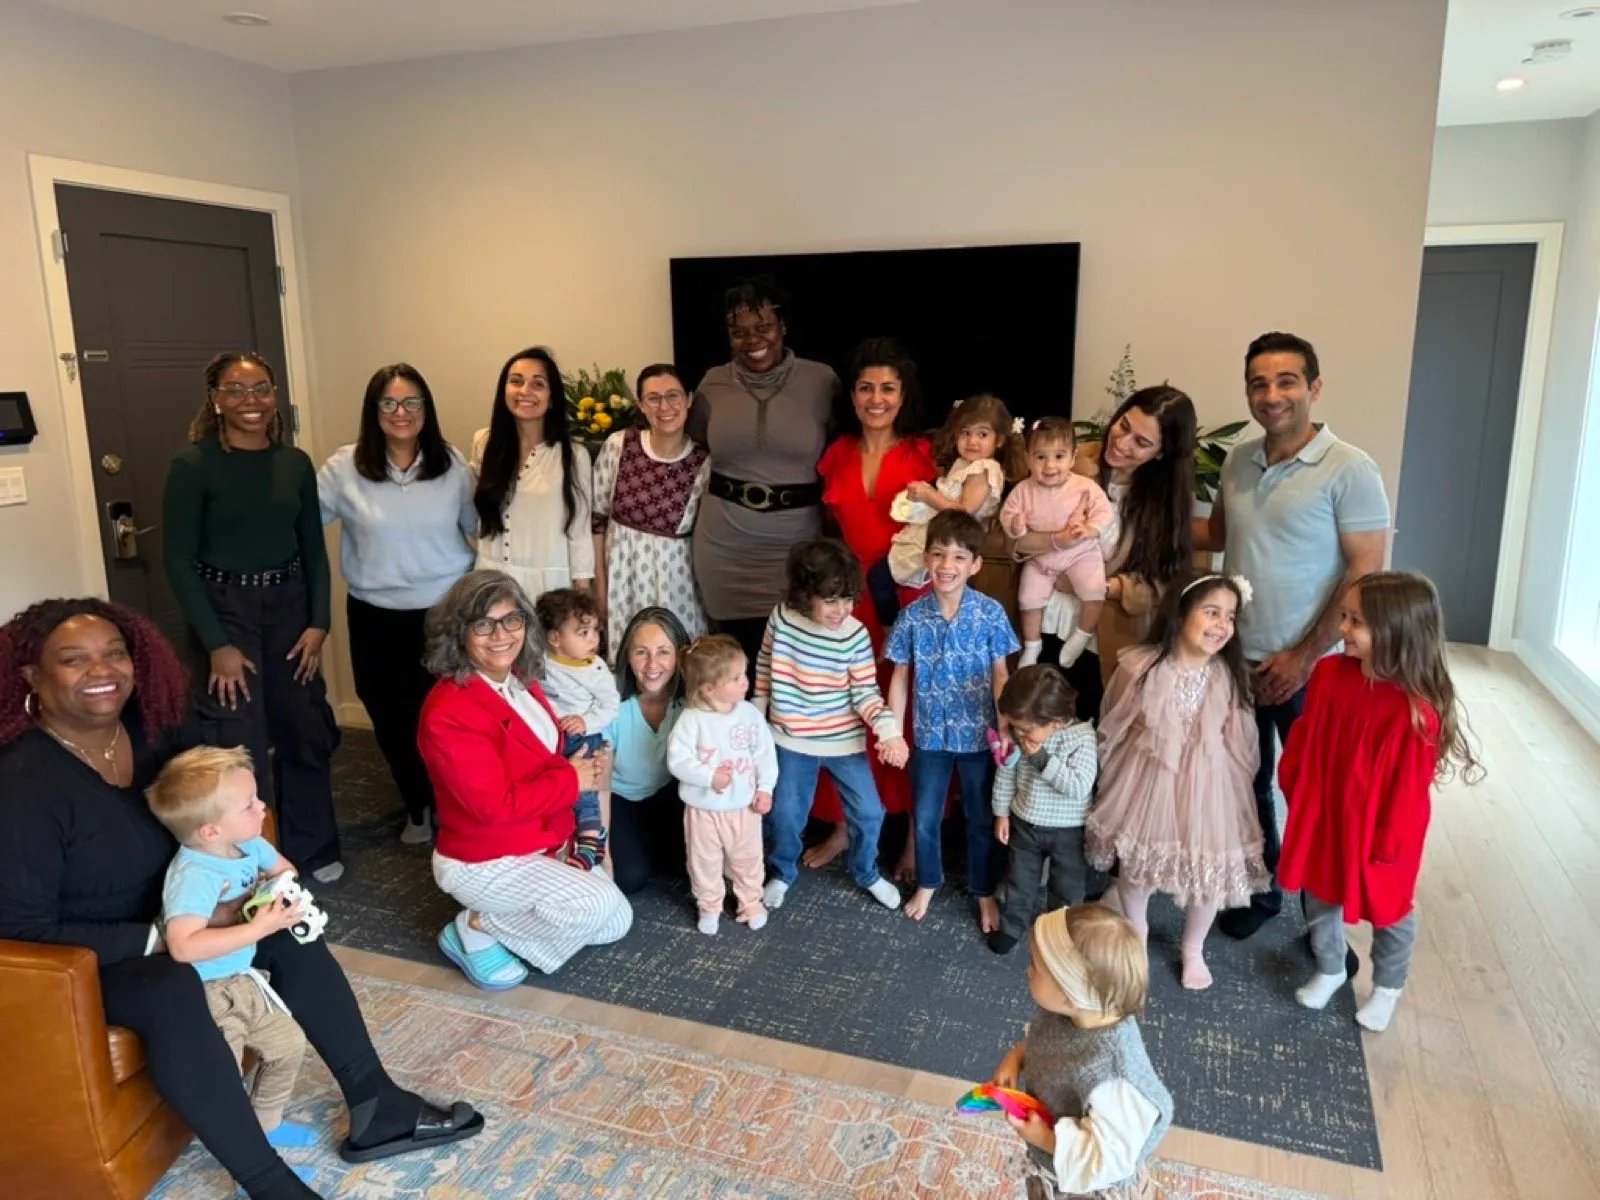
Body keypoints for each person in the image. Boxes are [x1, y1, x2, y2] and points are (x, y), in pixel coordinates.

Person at [0, 599, 482, 1200]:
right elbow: (22, 926)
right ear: (32, 676)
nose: (102, 670)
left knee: (285, 925)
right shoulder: (22, 784)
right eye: (74, 660)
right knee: (171, 984)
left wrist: (263, 887)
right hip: (109, 956)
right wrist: (167, 935)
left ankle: (375, 1103)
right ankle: (269, 1183)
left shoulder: (156, 728)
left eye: (114, 653)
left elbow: (226, 807)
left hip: (197, 909)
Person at [1197, 332, 1390, 940]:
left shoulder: (1350, 468)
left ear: (1314, 387)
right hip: (1234, 657)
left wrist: (1304, 656)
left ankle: (1323, 930)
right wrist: (1122, 508)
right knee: (1245, 783)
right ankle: (1261, 891)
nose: (1272, 394)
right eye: (1259, 383)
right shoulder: (1238, 460)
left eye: (1287, 381)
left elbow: (1366, 572)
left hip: (1315, 667)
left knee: (1317, 797)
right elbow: (1216, 537)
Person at [162, 351, 343, 882]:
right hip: (225, 610)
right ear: (215, 399)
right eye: (236, 390)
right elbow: (178, 560)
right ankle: (252, 859)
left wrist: (319, 622)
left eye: (261, 388)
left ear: (274, 396)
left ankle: (314, 849)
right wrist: (216, 643)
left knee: (302, 726)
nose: (251, 400)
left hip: (290, 608)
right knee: (236, 736)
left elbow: (314, 551)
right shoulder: (192, 465)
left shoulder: (294, 464)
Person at [1278, 571, 1480, 1032]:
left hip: (1382, 831)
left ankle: (1387, 987)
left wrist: (1387, 845)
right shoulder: (1329, 674)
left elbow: (1408, 789)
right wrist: (1294, 782)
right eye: (1344, 617)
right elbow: (1305, 736)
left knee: (1390, 911)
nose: (1343, 628)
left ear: (1395, 631)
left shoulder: (1414, 711)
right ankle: (1330, 967)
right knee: (1320, 893)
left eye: (1356, 621)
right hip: (1326, 814)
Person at [418, 571, 631, 990]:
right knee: (595, 905)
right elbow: (493, 807)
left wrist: (579, 765)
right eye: (484, 624)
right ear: (459, 632)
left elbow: (542, 756)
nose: (501, 635)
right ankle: (475, 926)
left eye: (511, 620)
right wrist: (571, 779)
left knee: (615, 921)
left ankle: (507, 919)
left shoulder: (519, 680)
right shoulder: (447, 712)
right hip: (485, 858)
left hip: (540, 836)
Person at [318, 362, 476, 844]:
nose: (400, 411)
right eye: (388, 402)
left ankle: (450, 804)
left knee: (447, 719)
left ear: (426, 409)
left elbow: (478, 528)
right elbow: (300, 525)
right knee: (390, 717)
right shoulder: (344, 468)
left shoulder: (452, 466)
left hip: (443, 614)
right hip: (374, 615)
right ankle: (416, 805)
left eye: (411, 402)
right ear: (373, 410)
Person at [1085, 574, 1267, 990]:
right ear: (1181, 614)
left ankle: (1192, 948)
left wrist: (1236, 791)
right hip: (1149, 777)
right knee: (1137, 864)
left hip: (1210, 782)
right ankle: (1137, 930)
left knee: (1207, 868)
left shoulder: (1226, 675)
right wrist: (1111, 772)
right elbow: (1115, 722)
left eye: (1230, 617)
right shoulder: (1141, 667)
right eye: (1211, 612)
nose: (1222, 625)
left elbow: (1239, 740)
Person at [147, 745, 313, 1149]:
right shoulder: (195, 874)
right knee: (227, 1076)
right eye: (249, 805)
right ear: (210, 831)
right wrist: (258, 927)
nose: (262, 808)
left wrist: (275, 892)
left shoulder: (250, 844)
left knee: (289, 1044)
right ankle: (246, 1156)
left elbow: (286, 870)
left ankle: (266, 1126)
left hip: (243, 976)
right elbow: (183, 946)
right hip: (207, 990)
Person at [808, 338, 934, 872]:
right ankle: (842, 827)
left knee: (911, 717)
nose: (875, 398)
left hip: (908, 600)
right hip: (849, 603)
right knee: (845, 713)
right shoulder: (836, 452)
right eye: (865, 387)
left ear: (903, 395)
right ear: (852, 395)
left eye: (887, 388)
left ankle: (914, 839)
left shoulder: (926, 453)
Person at [688, 279, 837, 671]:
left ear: (782, 326)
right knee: (733, 666)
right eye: (739, 332)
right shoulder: (712, 384)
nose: (752, 339)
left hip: (796, 548)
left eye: (763, 327)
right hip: (724, 547)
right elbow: (693, 444)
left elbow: (844, 450)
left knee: (797, 663)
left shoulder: (822, 381)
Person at [754, 540, 908, 913]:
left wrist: (889, 732)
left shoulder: (854, 635)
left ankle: (866, 872)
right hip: (790, 737)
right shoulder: (782, 617)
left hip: (843, 741)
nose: (842, 610)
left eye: (848, 599)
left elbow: (866, 692)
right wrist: (756, 716)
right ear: (805, 595)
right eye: (830, 600)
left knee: (870, 812)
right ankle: (782, 872)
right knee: (785, 813)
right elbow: (765, 664)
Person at [887, 511, 1020, 927]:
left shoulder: (991, 613)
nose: (947, 565)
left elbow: (1001, 674)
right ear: (926, 558)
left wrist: (1005, 726)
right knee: (926, 816)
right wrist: (892, 732)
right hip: (929, 736)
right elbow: (900, 677)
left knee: (980, 817)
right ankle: (928, 881)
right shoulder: (912, 616)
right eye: (939, 554)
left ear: (975, 564)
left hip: (980, 736)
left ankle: (983, 891)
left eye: (960, 557)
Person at [988, 906, 1174, 1200]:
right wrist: (1016, 1057)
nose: (1027, 970)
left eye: (1034, 965)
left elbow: (1109, 1159)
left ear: (1069, 994)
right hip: (1053, 1163)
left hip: (1088, 1187)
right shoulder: (1078, 1013)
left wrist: (1046, 1138)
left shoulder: (1113, 1078)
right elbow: (1052, 1042)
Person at [1034, 386, 1199, 705]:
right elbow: (1019, 525)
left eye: (1141, 442)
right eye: (1123, 426)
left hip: (1099, 637)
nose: (1122, 443)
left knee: (1086, 723)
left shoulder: (1163, 504)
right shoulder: (1069, 460)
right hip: (1038, 619)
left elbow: (1165, 583)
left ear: (1161, 453)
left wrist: (1103, 587)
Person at [591, 363, 712, 653]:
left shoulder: (704, 462)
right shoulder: (619, 445)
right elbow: (596, 520)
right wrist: (599, 586)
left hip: (677, 584)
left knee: (675, 658)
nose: (664, 406)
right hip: (622, 580)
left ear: (688, 400)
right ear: (641, 406)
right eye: (653, 398)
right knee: (628, 658)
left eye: (673, 395)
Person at [667, 635, 778, 935]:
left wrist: (765, 788)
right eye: (736, 678)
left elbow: (764, 754)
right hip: (703, 810)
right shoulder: (692, 720)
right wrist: (708, 776)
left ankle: (750, 901)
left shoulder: (749, 714)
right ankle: (709, 904)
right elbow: (677, 760)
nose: (745, 682)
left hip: (744, 807)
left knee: (748, 858)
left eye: (744, 674)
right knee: (704, 861)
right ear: (708, 688)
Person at [989, 666, 1098, 956]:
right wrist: (1001, 813)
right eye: (1016, 726)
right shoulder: (1021, 737)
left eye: (1026, 728)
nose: (1019, 733)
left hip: (1069, 830)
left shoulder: (1082, 739)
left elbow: (1078, 786)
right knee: (1019, 881)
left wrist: (1040, 758)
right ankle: (1012, 926)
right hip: (1025, 822)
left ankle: (1060, 934)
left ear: (1057, 721)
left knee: (1067, 888)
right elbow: (1006, 773)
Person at [471, 346, 594, 599]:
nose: (525, 391)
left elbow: (580, 531)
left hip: (551, 588)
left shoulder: (574, 455)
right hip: (490, 582)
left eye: (538, 384)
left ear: (552, 398)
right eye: (516, 381)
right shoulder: (484, 443)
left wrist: (583, 593)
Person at [1004, 418, 1115, 671]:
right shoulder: (1023, 490)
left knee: (1094, 590)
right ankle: (1032, 645)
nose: (1050, 465)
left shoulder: (1084, 486)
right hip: (1041, 558)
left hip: (1080, 553)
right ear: (1028, 459)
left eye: (1059, 456)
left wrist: (1091, 528)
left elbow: (1104, 512)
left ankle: (1082, 634)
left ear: (1073, 458)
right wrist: (1015, 525)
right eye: (1040, 457)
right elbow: (1008, 515)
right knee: (1028, 599)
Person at [888, 392, 1026, 590]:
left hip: (954, 542)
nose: (972, 441)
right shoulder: (964, 464)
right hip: (943, 535)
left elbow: (963, 512)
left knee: (883, 578)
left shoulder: (983, 469)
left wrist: (929, 496)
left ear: (999, 440)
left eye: (982, 434)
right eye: (965, 433)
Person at [604, 607, 691, 895]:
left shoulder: (691, 701)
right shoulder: (609, 702)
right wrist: (604, 853)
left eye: (664, 652)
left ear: (680, 655)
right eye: (641, 652)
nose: (652, 664)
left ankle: (654, 843)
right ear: (627, 656)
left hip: (668, 791)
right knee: (630, 877)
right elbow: (599, 785)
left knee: (692, 866)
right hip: (619, 797)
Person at [534, 588, 620, 871]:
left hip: (581, 738)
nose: (594, 639)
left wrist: (585, 722)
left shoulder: (595, 670)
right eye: (583, 633)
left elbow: (610, 706)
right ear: (555, 639)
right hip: (550, 737)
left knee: (584, 791)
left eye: (595, 631)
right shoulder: (540, 661)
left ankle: (591, 839)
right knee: (553, 788)